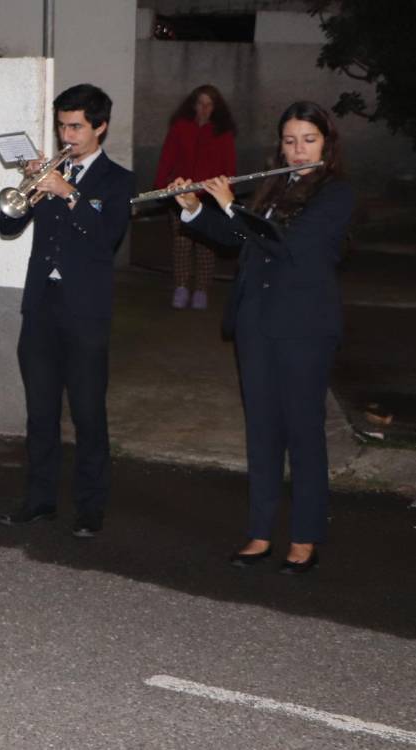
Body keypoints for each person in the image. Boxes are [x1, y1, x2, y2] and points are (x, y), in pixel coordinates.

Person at [168, 101, 352, 574]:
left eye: (308, 140)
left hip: (304, 328)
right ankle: (260, 530)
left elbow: (286, 244)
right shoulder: (274, 184)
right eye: (290, 141)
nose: (297, 150)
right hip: (257, 323)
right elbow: (238, 239)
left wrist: (229, 203)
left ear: (326, 144)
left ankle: (306, 537)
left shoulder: (336, 193)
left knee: (303, 432)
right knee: (263, 430)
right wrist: (194, 210)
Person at [0, 83, 135, 538]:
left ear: (100, 127)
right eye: (61, 126)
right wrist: (31, 185)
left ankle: (91, 507)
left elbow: (106, 239)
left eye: (75, 126)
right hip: (41, 306)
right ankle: (39, 500)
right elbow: (7, 223)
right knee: (40, 412)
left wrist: (69, 194)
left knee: (88, 412)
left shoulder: (119, 181)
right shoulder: (50, 172)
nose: (66, 136)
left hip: (85, 312)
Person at [153, 84, 237, 310]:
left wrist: (227, 195)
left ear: (216, 107)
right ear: (193, 105)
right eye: (200, 103)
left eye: (209, 104)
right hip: (181, 193)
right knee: (181, 243)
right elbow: (166, 158)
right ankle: (180, 288)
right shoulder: (180, 128)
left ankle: (201, 291)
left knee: (206, 247)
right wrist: (161, 186)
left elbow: (229, 167)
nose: (204, 108)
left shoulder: (223, 133)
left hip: (210, 196)